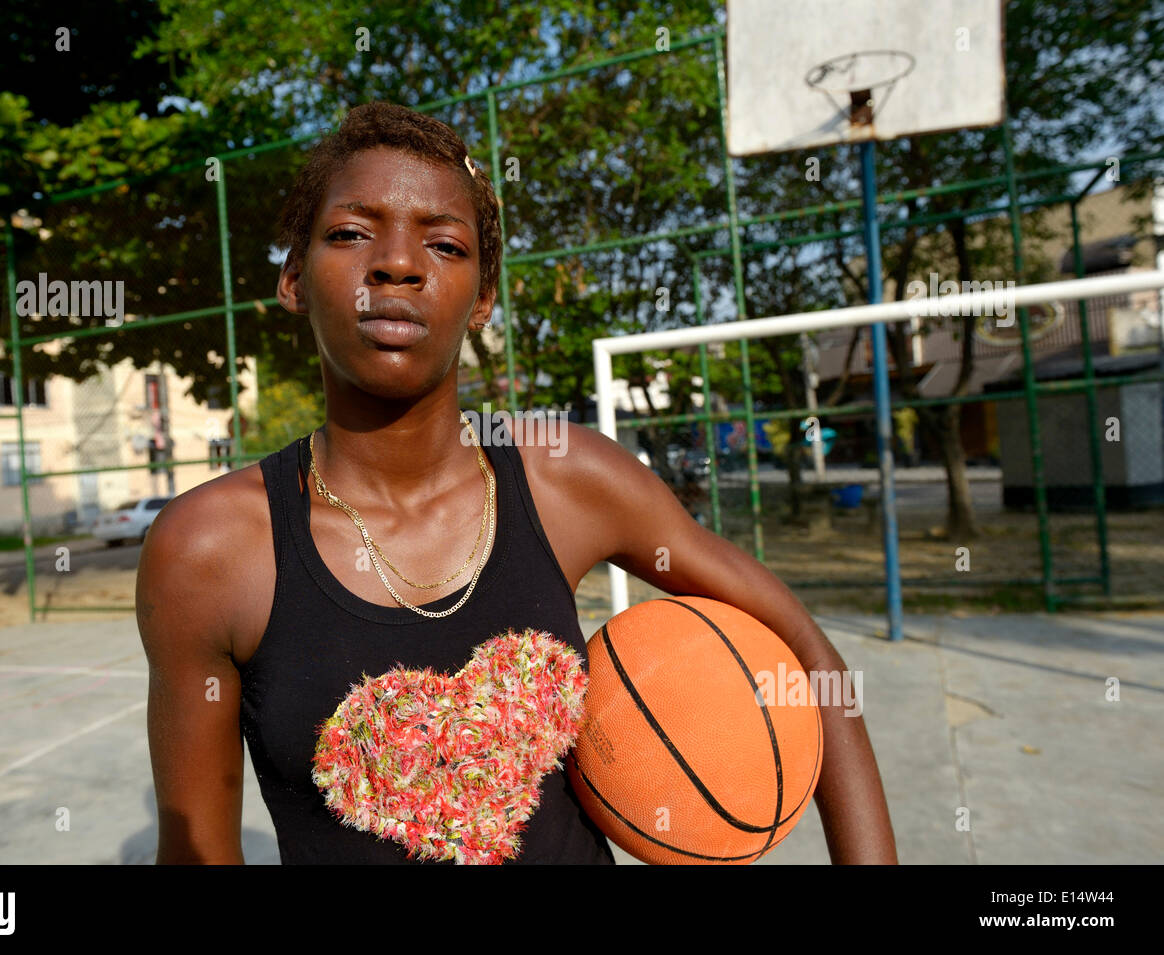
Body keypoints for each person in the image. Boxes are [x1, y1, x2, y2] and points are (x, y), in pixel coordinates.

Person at [136, 101, 897, 864]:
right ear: (295, 279)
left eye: (443, 242)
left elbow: (805, 649)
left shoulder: (566, 478)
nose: (397, 263)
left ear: (484, 296)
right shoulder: (210, 549)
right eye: (350, 232)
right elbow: (195, 850)